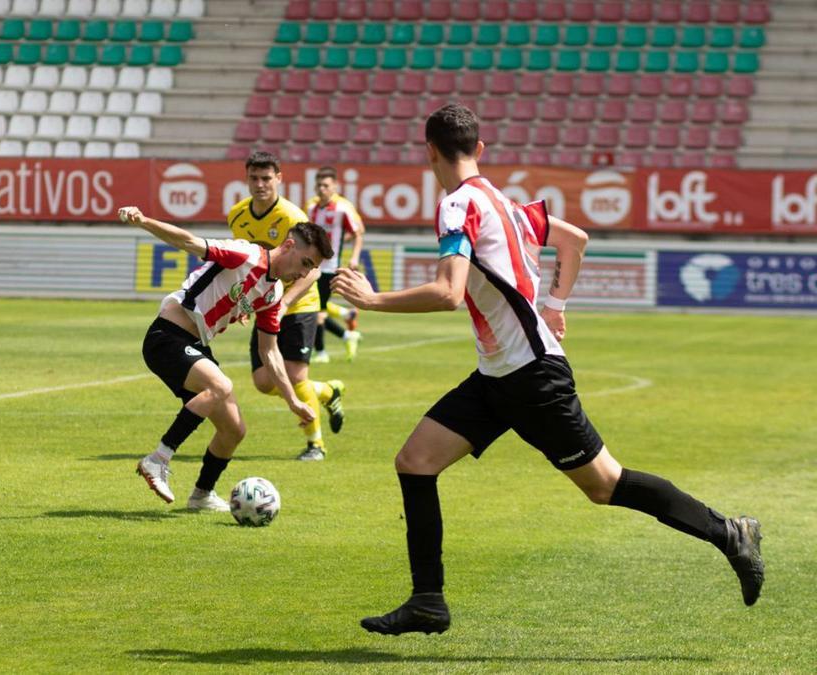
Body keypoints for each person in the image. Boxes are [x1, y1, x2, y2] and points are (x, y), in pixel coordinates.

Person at [333, 104, 764, 636]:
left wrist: (371, 301)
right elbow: (574, 240)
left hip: (531, 377)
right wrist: (556, 302)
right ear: (480, 149)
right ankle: (427, 601)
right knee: (415, 461)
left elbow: (448, 293)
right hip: (499, 375)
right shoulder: (507, 204)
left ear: (429, 151)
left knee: (605, 485)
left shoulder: (456, 205)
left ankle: (730, 532)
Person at [121, 205, 328, 510]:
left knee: (234, 430)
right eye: (305, 262)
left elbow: (268, 351)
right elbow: (190, 242)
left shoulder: (270, 294)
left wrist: (293, 401)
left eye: (311, 268)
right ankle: (158, 459)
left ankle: (202, 495)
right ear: (288, 245)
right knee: (221, 386)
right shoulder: (245, 255)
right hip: (166, 336)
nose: (304, 273)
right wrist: (143, 220)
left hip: (194, 345)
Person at [228, 151, 345, 462]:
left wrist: (285, 302)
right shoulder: (237, 216)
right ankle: (327, 392)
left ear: (279, 179)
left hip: (299, 302)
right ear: (247, 179)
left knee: (294, 375)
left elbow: (315, 269)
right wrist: (243, 301)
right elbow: (246, 266)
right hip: (266, 303)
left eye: (267, 178)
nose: (260, 184)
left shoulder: (293, 218)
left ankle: (315, 445)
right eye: (254, 178)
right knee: (264, 382)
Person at [305, 166, 364, 363]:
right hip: (309, 266)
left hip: (329, 267)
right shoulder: (311, 208)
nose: (321, 189)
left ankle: (321, 352)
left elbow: (358, 231)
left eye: (326, 185)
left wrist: (353, 256)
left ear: (335, 187)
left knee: (316, 311)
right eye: (319, 185)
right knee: (311, 307)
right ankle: (347, 332)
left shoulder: (342, 208)